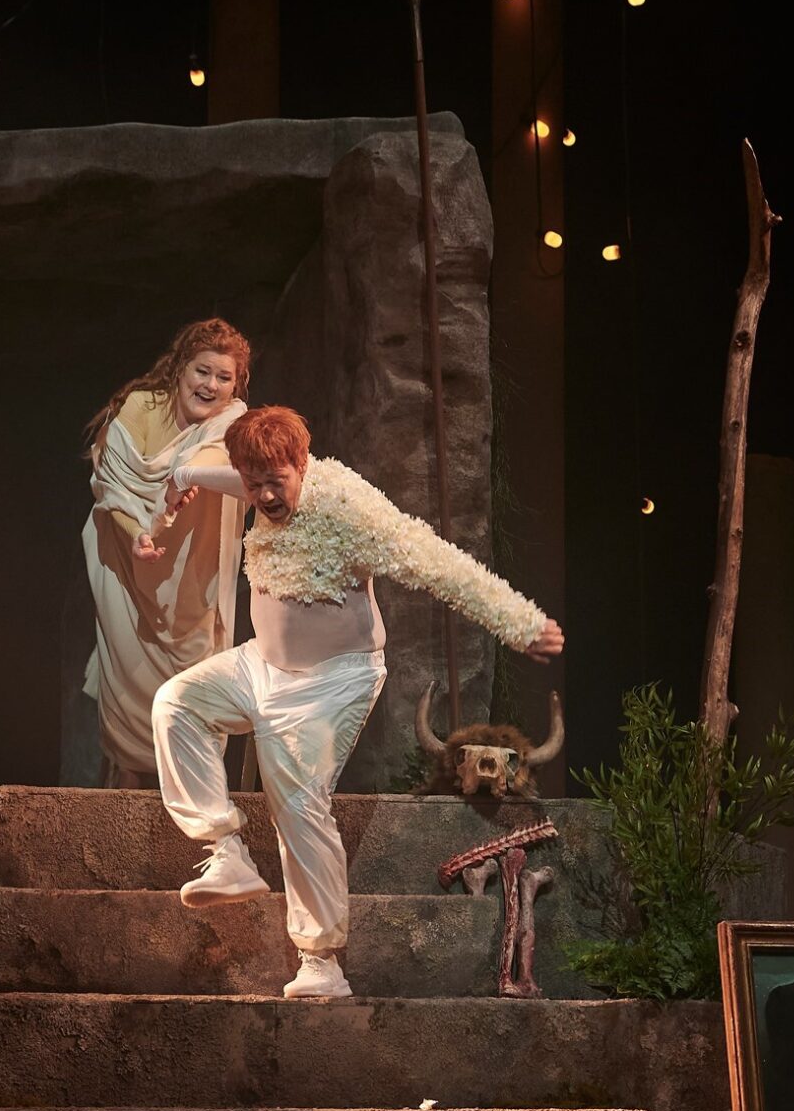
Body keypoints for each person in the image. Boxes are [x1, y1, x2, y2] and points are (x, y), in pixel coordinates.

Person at [145, 405, 564, 998]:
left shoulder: (348, 508)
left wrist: (520, 623)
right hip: (261, 665)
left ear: (303, 465)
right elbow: (230, 478)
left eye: (276, 481)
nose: (264, 496)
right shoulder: (255, 484)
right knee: (176, 703)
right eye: (254, 484)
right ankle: (226, 849)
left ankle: (321, 962)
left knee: (296, 798)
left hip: (333, 681)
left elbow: (437, 563)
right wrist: (184, 475)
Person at [80, 319, 253, 787]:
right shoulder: (141, 407)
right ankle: (124, 803)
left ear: (236, 386)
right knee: (127, 681)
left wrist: (186, 475)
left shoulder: (230, 421)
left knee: (192, 687)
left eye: (224, 377)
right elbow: (111, 487)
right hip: (127, 567)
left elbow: (215, 460)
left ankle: (188, 804)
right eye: (202, 371)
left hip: (190, 580)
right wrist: (138, 533)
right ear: (180, 369)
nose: (210, 385)